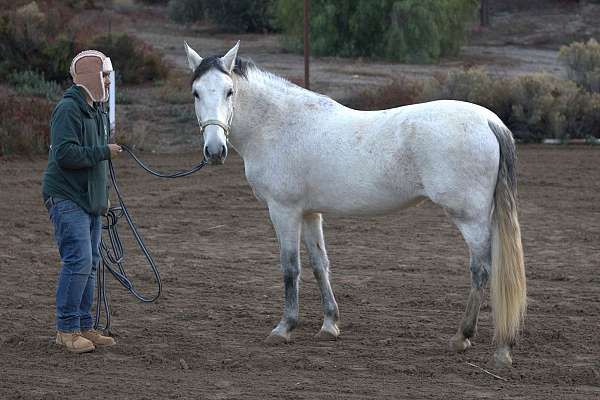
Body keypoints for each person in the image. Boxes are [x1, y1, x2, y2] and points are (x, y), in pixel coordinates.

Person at [42, 50, 122, 353]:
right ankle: (66, 329)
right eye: (104, 76)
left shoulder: (95, 111)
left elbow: (92, 163)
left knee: (91, 264)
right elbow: (65, 154)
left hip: (87, 198)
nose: (108, 82)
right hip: (65, 195)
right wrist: (103, 151)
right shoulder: (68, 110)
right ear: (90, 76)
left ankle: (84, 326)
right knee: (79, 261)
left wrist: (103, 198)